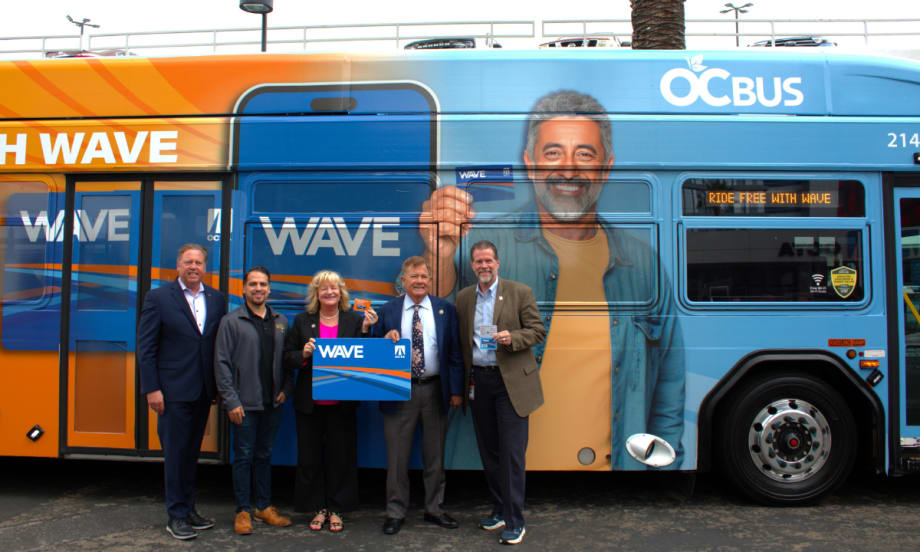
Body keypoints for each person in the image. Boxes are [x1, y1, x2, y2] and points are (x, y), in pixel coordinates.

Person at [420, 90, 685, 471]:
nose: (569, 168)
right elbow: (430, 311)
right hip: (490, 466)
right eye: (553, 153)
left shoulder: (642, 261)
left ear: (607, 166)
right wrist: (440, 252)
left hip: (616, 470)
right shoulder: (483, 243)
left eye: (585, 154)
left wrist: (664, 463)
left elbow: (670, 385)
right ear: (529, 163)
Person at [456, 240, 546, 545]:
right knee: (489, 452)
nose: (483, 266)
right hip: (479, 383)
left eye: (488, 261)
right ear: (472, 266)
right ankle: (499, 508)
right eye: (478, 262)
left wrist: (513, 337)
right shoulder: (464, 298)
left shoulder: (520, 292)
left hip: (511, 385)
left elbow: (537, 331)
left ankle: (515, 519)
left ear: (498, 263)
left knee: (511, 455)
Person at [137, 243, 226, 540]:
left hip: (202, 390)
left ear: (205, 267)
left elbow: (214, 346)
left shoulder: (216, 299)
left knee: (190, 454)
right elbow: (146, 348)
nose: (194, 267)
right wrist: (152, 389)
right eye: (188, 262)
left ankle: (189, 509)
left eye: (199, 262)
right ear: (178, 265)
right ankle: (175, 515)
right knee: (175, 454)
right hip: (172, 392)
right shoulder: (159, 298)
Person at [371, 256, 463, 535]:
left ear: (430, 280)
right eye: (414, 277)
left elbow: (455, 354)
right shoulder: (388, 310)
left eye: (424, 276)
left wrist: (456, 391)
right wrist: (383, 338)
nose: (420, 281)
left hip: (436, 390)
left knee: (434, 456)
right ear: (404, 281)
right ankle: (395, 512)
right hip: (400, 390)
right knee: (397, 458)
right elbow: (373, 349)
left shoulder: (445, 309)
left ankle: (434, 509)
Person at [283, 270, 377, 533]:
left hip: (342, 403)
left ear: (341, 292)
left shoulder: (354, 320)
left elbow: (365, 357)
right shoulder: (303, 321)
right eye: (323, 289)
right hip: (309, 403)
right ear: (316, 294)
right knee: (309, 458)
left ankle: (337, 508)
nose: (329, 293)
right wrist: (303, 352)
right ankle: (317, 508)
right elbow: (287, 357)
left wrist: (367, 330)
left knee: (341, 458)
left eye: (334, 288)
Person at [214, 266, 294, 535]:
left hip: (273, 403)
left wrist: (286, 388)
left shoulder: (281, 321)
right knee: (244, 457)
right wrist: (231, 401)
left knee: (264, 456)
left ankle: (263, 506)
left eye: (263, 284)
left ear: (269, 288)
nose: (258, 289)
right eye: (253, 284)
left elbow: (287, 360)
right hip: (244, 405)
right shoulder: (231, 321)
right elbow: (222, 364)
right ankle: (242, 511)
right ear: (244, 288)